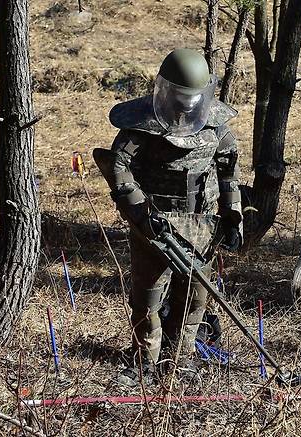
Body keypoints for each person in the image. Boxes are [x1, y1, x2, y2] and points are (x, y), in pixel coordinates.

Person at [97, 48, 243, 387]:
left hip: (201, 227)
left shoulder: (216, 126)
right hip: (153, 225)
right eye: (180, 96)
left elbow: (228, 172)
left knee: (193, 296)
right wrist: (141, 212)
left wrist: (233, 214)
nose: (187, 103)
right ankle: (144, 361)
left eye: (193, 97)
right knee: (148, 297)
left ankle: (181, 359)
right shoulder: (141, 126)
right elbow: (119, 170)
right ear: (165, 90)